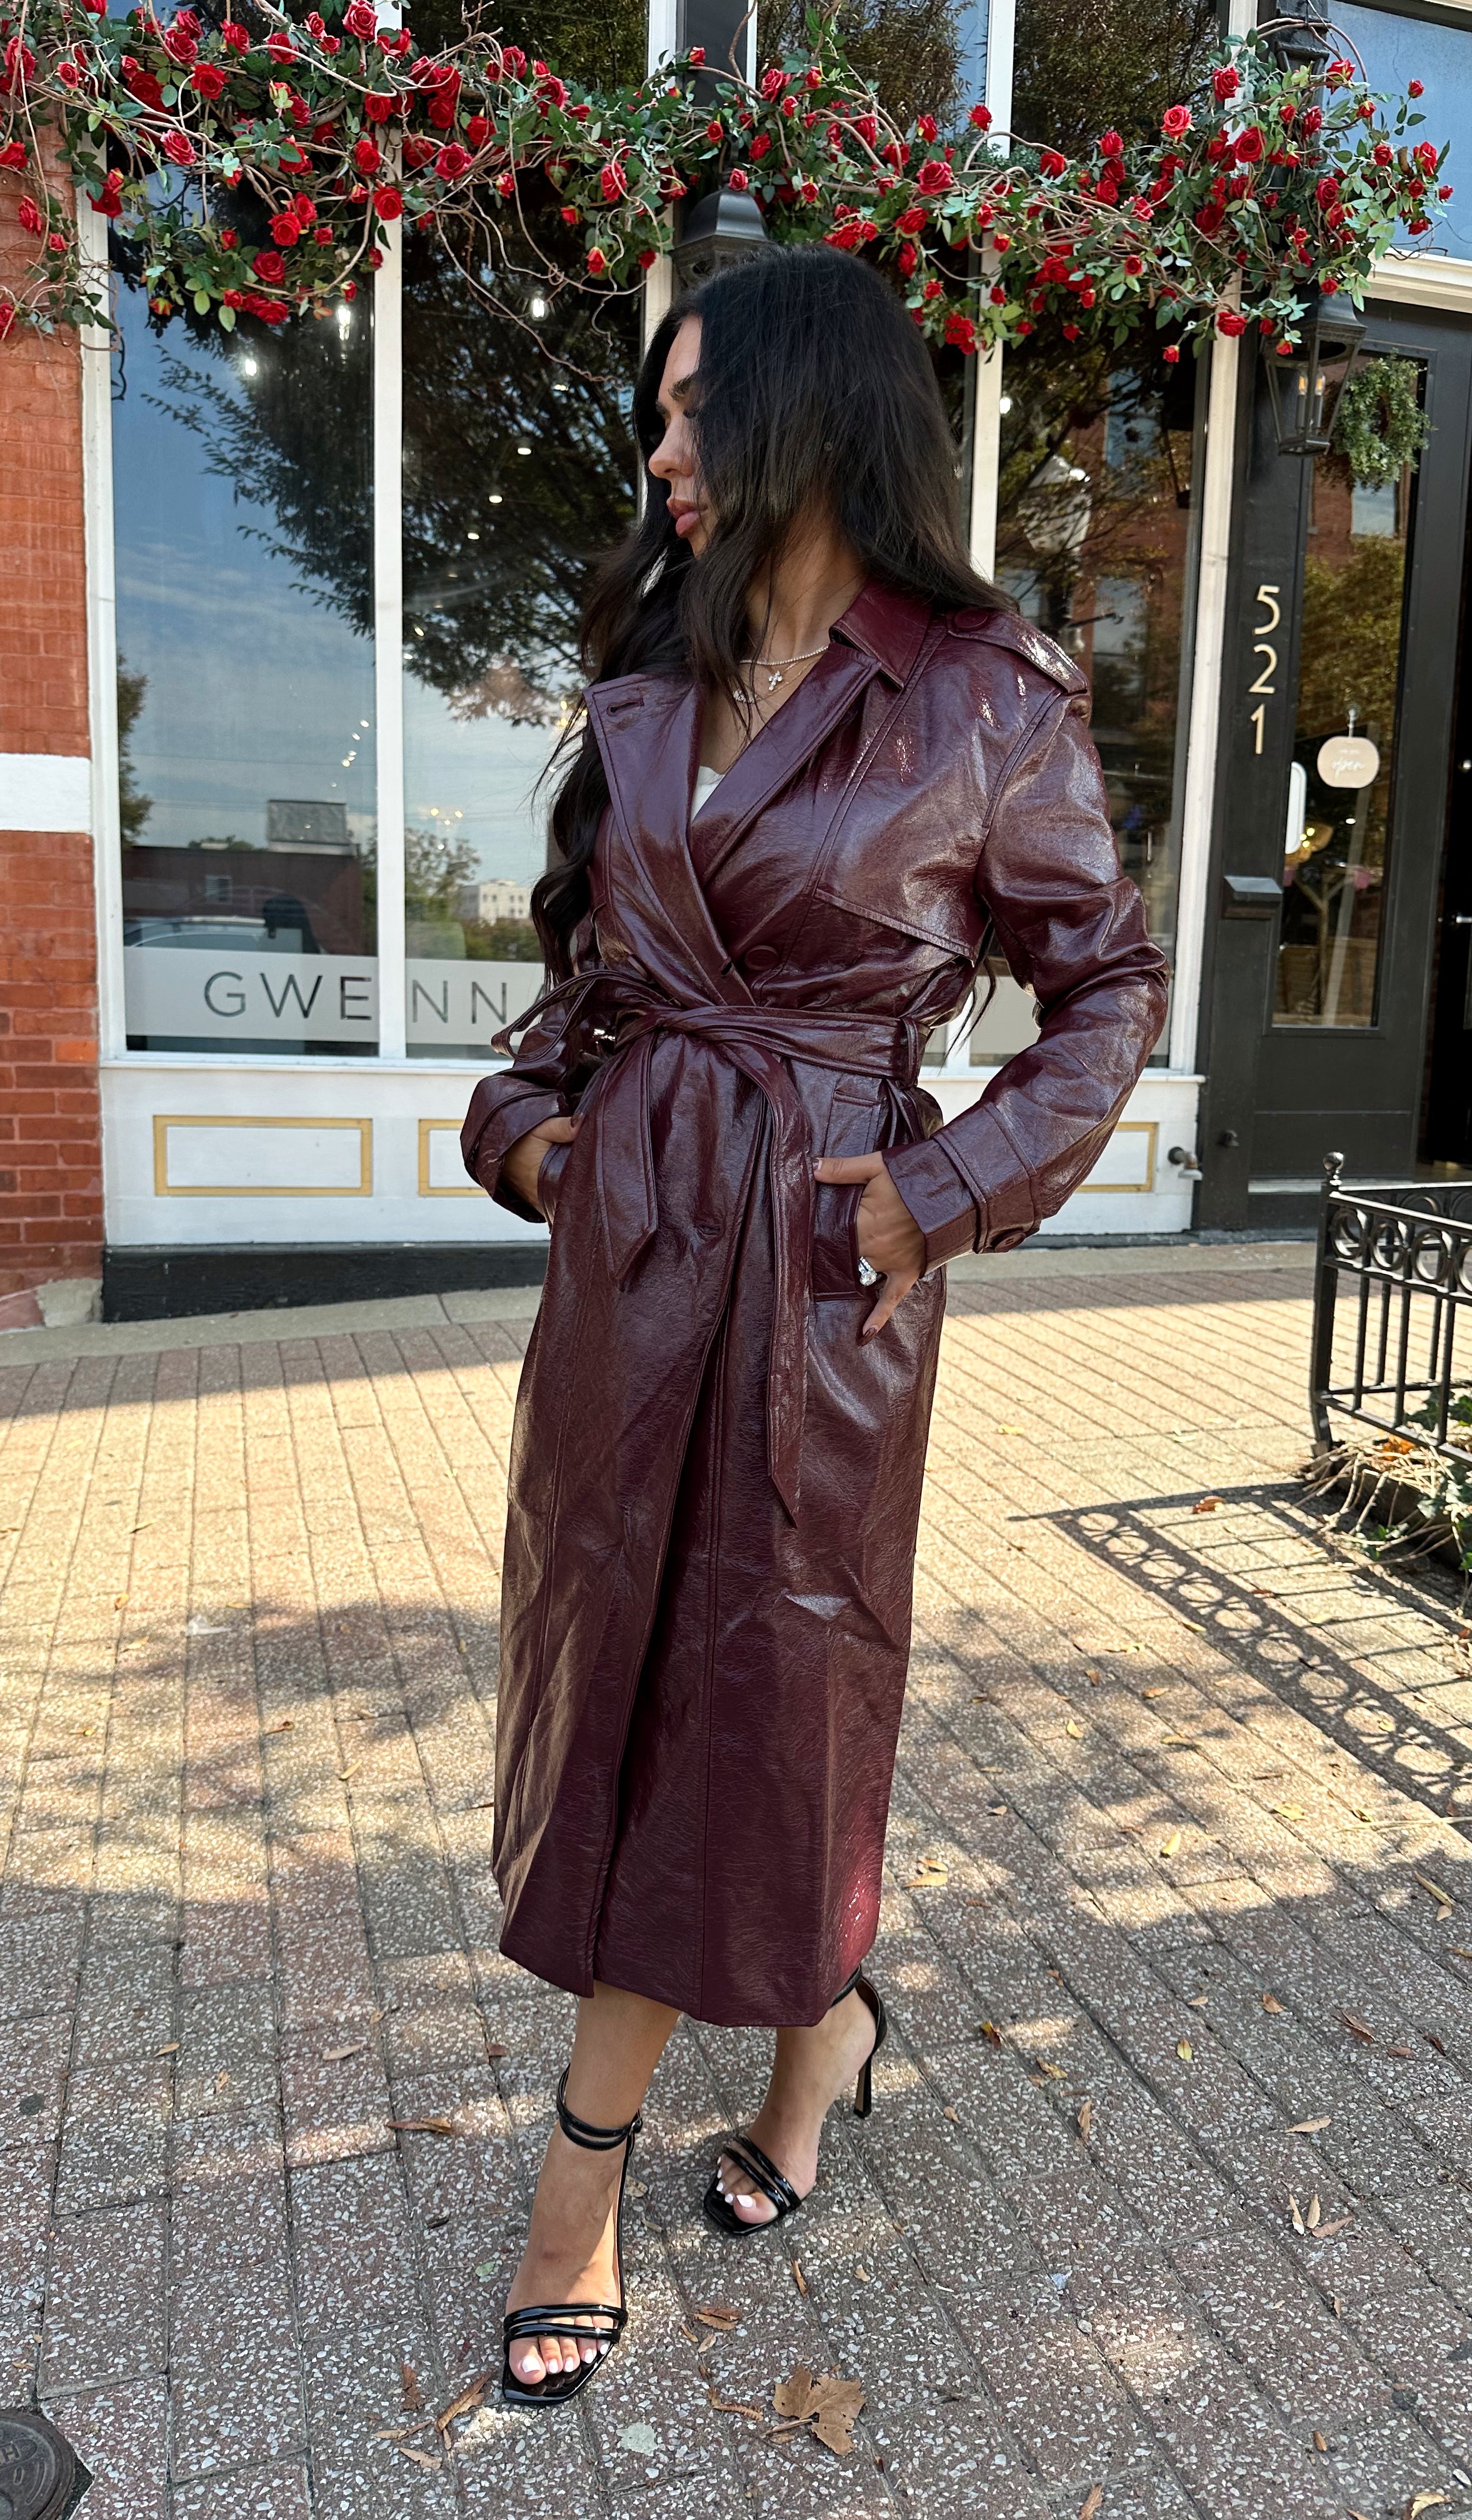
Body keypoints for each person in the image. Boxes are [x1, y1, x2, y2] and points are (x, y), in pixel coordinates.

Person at [459, 244, 1168, 2408]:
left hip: (821, 1275)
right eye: (652, 409)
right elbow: (579, 992)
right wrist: (532, 1133)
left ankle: (576, 2194)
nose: (657, 446)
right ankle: (826, 2033)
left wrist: (939, 1193)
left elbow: (1108, 997)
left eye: (688, 407)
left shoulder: (984, 696)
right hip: (631, 1264)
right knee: (610, 1679)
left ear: (802, 416)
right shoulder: (650, 680)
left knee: (768, 1694)